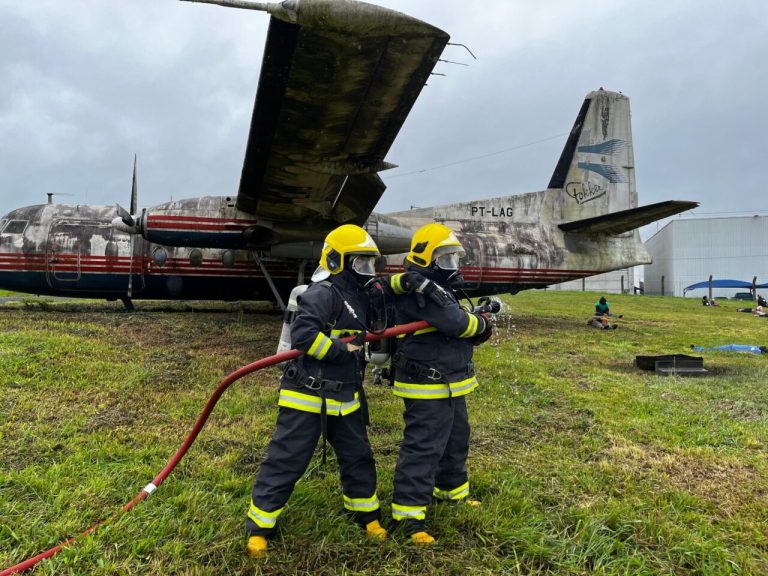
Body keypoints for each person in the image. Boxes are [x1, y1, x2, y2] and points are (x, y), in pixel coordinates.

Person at [245, 224, 387, 558]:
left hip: (347, 398)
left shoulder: (361, 296)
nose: (368, 271)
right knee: (286, 460)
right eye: (361, 263)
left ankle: (365, 514)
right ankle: (260, 527)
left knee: (358, 457)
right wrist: (343, 350)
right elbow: (305, 336)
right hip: (308, 396)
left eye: (371, 263)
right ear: (338, 261)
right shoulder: (322, 293)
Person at [387, 223, 492, 545]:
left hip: (450, 381)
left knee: (456, 438)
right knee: (424, 447)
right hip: (427, 384)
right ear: (424, 259)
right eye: (445, 259)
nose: (453, 266)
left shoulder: (432, 287)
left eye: (454, 259)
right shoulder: (422, 291)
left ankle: (451, 491)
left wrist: (478, 323)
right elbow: (458, 323)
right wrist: (484, 322)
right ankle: (408, 516)